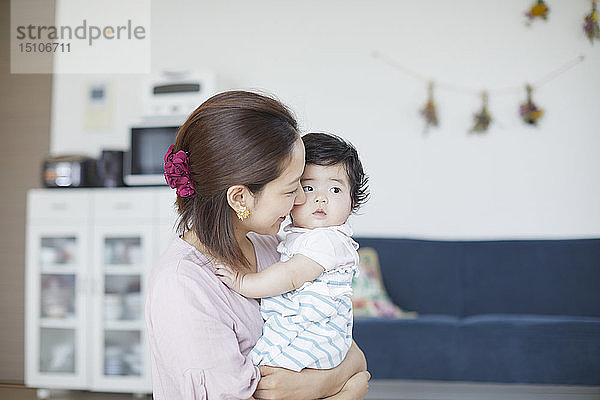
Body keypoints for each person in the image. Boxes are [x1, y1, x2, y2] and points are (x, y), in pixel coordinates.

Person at [145, 91, 370, 400]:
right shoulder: (183, 286)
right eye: (293, 189)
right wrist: (347, 390)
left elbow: (347, 347)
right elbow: (354, 368)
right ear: (240, 198)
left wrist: (321, 384)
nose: (302, 201)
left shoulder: (272, 246)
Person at [216, 132, 369, 373]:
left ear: (353, 202)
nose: (320, 198)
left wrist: (242, 282)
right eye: (307, 187)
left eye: (335, 190)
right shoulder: (293, 237)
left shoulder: (329, 240)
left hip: (315, 335)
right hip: (302, 330)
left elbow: (290, 275)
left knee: (265, 372)